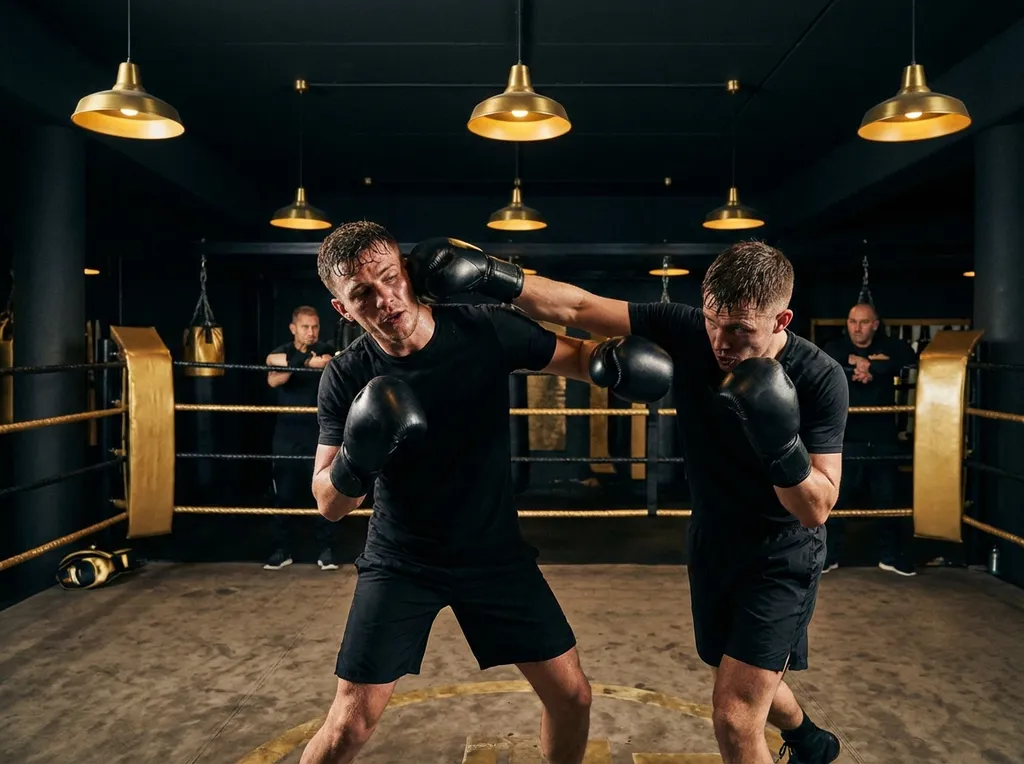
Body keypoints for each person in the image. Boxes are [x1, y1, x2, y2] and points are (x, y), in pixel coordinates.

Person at [407, 238, 848, 764]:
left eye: (739, 330)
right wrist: (492, 275)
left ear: (782, 320)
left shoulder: (821, 378)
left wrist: (781, 445)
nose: (721, 342)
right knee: (745, 674)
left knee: (734, 714)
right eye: (713, 321)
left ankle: (799, 742)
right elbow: (577, 307)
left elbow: (815, 507)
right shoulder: (690, 331)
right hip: (713, 542)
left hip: (782, 552)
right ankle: (809, 740)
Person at [301, 222, 674, 764]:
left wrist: (615, 366)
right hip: (403, 559)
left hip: (494, 553)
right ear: (343, 309)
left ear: (407, 273)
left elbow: (581, 356)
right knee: (349, 723)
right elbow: (328, 504)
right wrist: (360, 456)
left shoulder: (483, 329)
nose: (385, 300)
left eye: (389, 279)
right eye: (362, 295)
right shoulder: (345, 375)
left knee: (572, 696)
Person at [822, 302, 918, 576]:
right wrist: (856, 361)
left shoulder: (891, 345)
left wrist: (872, 367)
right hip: (847, 436)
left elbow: (906, 357)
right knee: (837, 499)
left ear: (875, 324)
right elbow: (828, 360)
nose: (857, 327)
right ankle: (828, 556)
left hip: (882, 436)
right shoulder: (837, 346)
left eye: (864, 322)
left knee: (887, 497)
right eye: (853, 321)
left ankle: (890, 556)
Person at [264, 306, 339, 571]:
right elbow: (274, 378)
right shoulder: (280, 351)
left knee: (324, 493)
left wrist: (299, 363)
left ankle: (325, 549)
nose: (311, 332)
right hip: (286, 433)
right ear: (293, 328)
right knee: (284, 493)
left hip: (318, 435)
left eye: (315, 327)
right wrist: (306, 363)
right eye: (306, 327)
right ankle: (282, 549)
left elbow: (328, 361)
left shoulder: (325, 349)